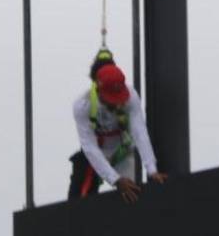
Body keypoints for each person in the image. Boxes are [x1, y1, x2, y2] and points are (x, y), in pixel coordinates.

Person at [71, 56, 166, 203]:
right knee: (77, 201)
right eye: (111, 99)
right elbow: (89, 146)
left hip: (122, 151)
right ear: (98, 90)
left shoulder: (131, 96)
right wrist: (115, 179)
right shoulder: (83, 105)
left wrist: (152, 169)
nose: (116, 104)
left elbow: (139, 132)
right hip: (95, 153)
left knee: (132, 194)